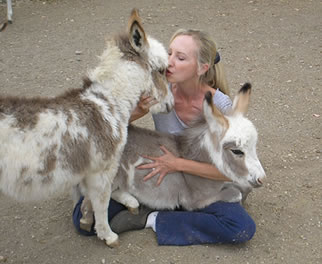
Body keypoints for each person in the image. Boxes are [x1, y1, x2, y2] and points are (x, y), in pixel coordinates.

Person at [73, 29, 256, 246]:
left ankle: (151, 218)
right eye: (169, 54)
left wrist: (177, 164)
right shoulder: (159, 90)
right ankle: (159, 205)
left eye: (180, 58)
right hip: (164, 178)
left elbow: (235, 168)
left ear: (202, 68)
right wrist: (138, 111)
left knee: (241, 227)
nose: (169, 62)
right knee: (82, 221)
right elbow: (106, 128)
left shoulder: (222, 106)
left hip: (203, 183)